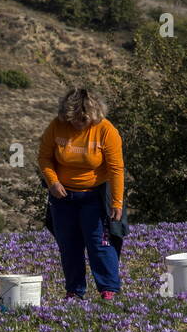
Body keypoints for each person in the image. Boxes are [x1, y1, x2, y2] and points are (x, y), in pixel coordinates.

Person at [38, 87, 125, 301]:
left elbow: (115, 168)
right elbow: (44, 158)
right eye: (74, 119)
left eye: (83, 119)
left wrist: (117, 202)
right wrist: (53, 182)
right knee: (69, 245)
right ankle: (74, 291)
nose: (78, 123)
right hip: (63, 197)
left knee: (100, 244)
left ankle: (108, 290)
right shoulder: (56, 126)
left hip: (95, 196)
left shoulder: (106, 130)